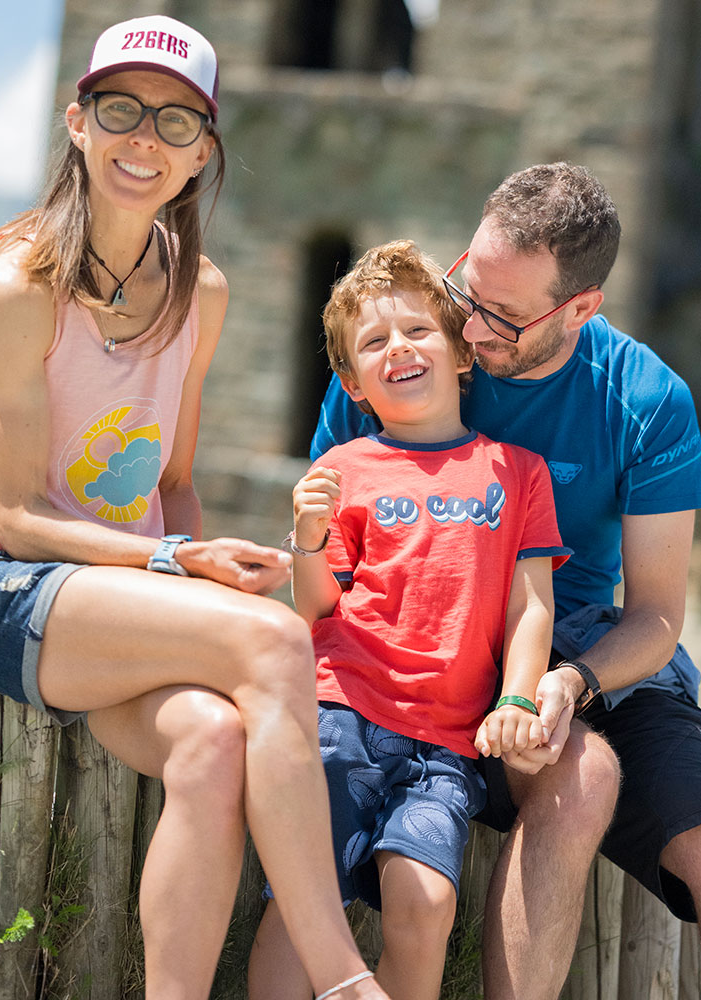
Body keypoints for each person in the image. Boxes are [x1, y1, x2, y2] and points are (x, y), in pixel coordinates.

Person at [0, 15, 391, 1000]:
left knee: (212, 743)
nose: (145, 140)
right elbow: (12, 520)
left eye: (176, 123)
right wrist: (179, 572)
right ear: (76, 123)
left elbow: (170, 482)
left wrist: (196, 559)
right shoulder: (16, 286)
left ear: (202, 154)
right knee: (271, 644)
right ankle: (343, 980)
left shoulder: (199, 293)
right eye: (120, 110)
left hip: (110, 596)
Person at [310, 163, 701, 1000]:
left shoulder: (647, 398)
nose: (465, 331)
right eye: (463, 287)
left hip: (581, 648)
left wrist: (567, 682)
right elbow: (326, 548)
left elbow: (656, 617)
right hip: (415, 648)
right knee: (584, 780)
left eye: (502, 317)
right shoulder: (401, 352)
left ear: (582, 308)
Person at [247, 240, 571, 1000]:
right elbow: (317, 606)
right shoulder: (343, 471)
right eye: (374, 342)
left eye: (419, 330)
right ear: (353, 383)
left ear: (462, 351)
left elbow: (530, 605)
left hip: (445, 747)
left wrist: (518, 699)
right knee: (303, 912)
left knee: (425, 906)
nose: (399, 348)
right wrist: (306, 537)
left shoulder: (519, 473)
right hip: (339, 717)